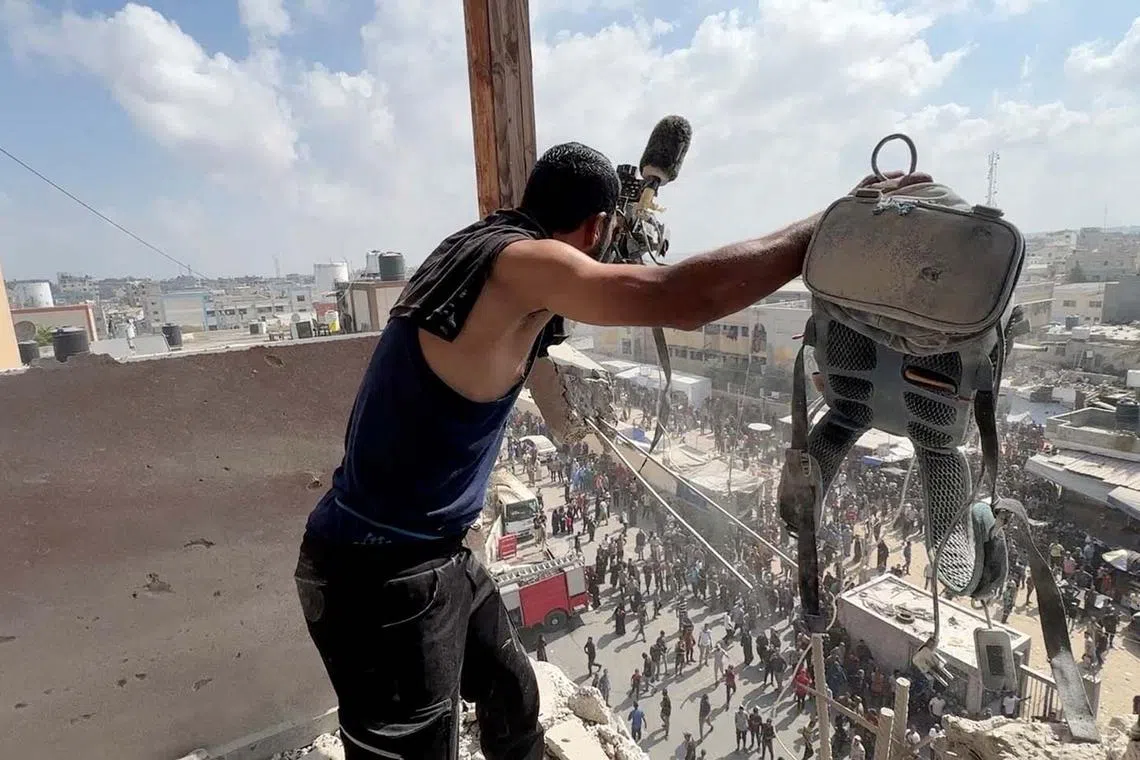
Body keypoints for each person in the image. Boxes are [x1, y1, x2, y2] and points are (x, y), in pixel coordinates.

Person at [294, 140, 930, 759]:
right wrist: (832, 224)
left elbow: (542, 323)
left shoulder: (474, 250)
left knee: (512, 700)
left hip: (426, 557)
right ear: (594, 227)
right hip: (379, 579)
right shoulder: (525, 266)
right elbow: (687, 298)